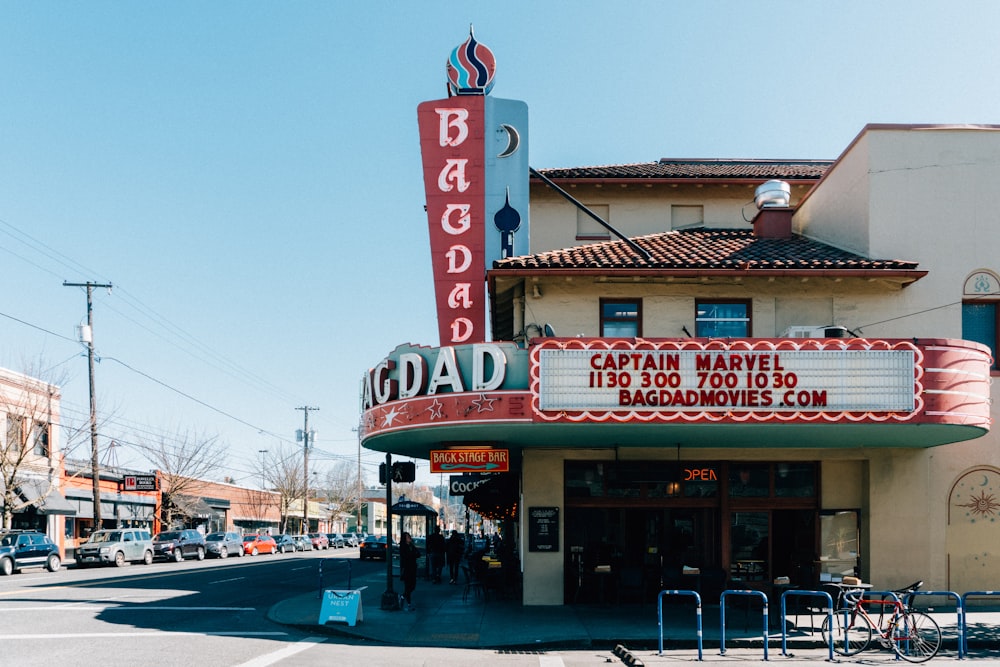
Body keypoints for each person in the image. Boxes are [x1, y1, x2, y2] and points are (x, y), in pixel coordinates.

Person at [399, 532, 420, 611]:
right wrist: (413, 554)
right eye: (407, 537)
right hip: (407, 569)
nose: (409, 538)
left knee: (413, 586)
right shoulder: (403, 547)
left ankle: (403, 596)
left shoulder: (411, 546)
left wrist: (413, 553)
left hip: (413, 568)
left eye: (409, 537)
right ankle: (409, 604)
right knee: (408, 586)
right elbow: (407, 556)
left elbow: (418, 554)